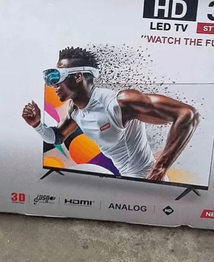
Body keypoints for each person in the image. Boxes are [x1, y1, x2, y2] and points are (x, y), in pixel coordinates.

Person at [22, 46, 199, 181]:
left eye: (57, 77)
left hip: (149, 182)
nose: (54, 85)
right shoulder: (75, 110)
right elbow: (57, 137)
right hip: (125, 180)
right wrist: (37, 124)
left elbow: (188, 115)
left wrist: (161, 167)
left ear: (77, 76)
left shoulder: (119, 102)